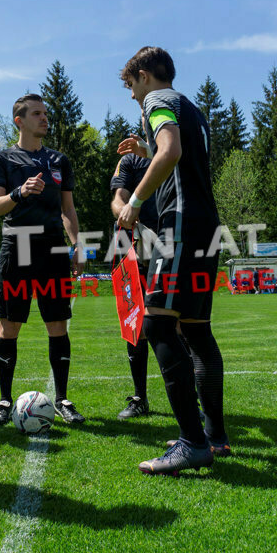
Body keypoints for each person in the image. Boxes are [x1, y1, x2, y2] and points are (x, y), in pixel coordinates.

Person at [115, 46, 230, 476]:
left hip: (179, 225)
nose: (131, 96)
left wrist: (136, 201)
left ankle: (192, 443)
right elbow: (177, 155)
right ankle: (214, 436)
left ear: (144, 76)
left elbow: (172, 152)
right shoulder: (192, 108)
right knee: (198, 333)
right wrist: (147, 150)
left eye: (130, 85)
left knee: (158, 324)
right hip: (205, 224)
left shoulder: (157, 101)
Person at [0, 93, 85, 426]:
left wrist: (76, 244)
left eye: (46, 113)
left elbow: (67, 208)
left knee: (57, 324)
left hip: (53, 250)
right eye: (37, 114)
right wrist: (19, 192)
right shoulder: (2, 160)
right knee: (8, 326)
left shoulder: (59, 160)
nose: (45, 118)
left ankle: (63, 399)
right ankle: (3, 400)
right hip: (18, 248)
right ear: (19, 120)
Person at [110, 152, 159, 419]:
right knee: (135, 325)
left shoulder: (173, 150)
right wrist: (125, 213)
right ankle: (140, 397)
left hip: (171, 244)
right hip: (135, 249)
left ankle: (191, 399)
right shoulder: (130, 161)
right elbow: (117, 200)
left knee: (179, 326)